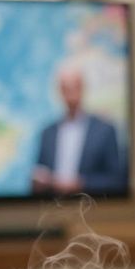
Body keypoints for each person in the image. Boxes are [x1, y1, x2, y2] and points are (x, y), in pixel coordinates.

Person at [33, 65, 128, 196]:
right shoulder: (47, 133)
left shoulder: (105, 130)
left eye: (75, 87)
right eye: (66, 89)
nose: (71, 95)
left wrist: (81, 184)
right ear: (59, 91)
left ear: (83, 88)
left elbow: (117, 180)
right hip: (53, 208)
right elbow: (39, 173)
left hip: (92, 208)